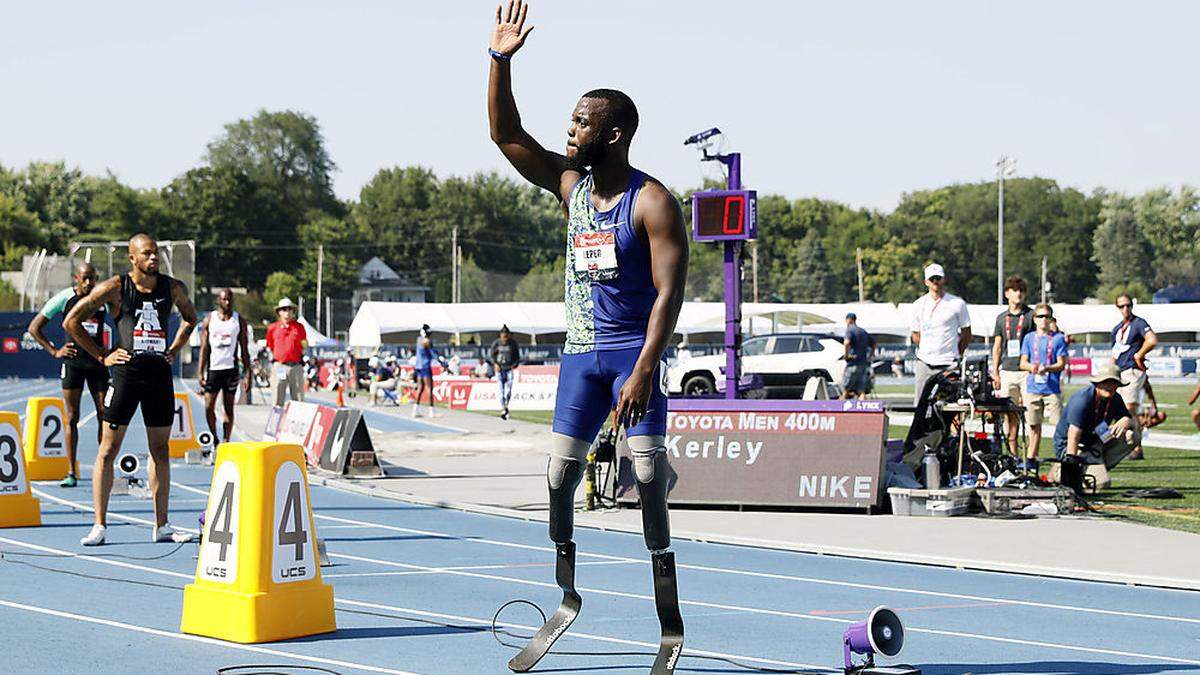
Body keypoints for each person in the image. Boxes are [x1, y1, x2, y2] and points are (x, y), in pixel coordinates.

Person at [487, 2, 690, 669]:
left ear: (616, 133)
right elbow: (505, 135)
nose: (570, 129)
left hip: (634, 353)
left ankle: (667, 614)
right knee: (556, 477)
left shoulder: (653, 200)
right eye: (572, 119)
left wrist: (642, 370)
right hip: (580, 356)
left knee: (650, 473)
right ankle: (568, 592)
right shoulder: (570, 185)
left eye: (582, 122)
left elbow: (670, 292)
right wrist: (499, 61)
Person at [65, 233, 198, 546]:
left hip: (158, 376)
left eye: (156, 254)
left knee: (161, 450)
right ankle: (99, 525)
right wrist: (101, 355)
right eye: (147, 254)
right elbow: (72, 322)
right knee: (108, 450)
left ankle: (161, 525)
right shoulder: (115, 287)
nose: (153, 259)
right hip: (125, 375)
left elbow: (190, 319)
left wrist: (175, 349)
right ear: (132, 258)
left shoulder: (172, 287)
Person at [26, 262, 110, 488]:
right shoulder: (64, 298)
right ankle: (71, 471)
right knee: (72, 417)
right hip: (73, 363)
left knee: (105, 414)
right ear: (76, 278)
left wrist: (113, 349)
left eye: (92, 278)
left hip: (98, 364)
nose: (89, 283)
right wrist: (55, 351)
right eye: (84, 278)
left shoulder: (102, 297)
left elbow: (123, 320)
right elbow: (34, 327)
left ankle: (103, 468)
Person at [1053, 362, 1140, 483]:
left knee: (1132, 436)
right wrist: (1071, 468)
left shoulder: (1115, 398)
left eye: (1113, 382)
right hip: (1071, 447)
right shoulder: (1082, 400)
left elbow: (1133, 423)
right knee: (1101, 483)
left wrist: (1128, 420)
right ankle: (1061, 471)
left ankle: (1094, 467)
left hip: (1095, 443)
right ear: (1097, 383)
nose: (1110, 386)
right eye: (1106, 382)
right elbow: (1073, 436)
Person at [909, 263, 972, 404]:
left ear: (943, 279)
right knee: (920, 405)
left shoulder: (957, 303)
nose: (935, 282)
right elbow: (915, 335)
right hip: (925, 362)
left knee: (951, 406)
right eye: (932, 279)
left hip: (949, 363)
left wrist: (956, 352)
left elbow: (967, 333)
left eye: (938, 278)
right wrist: (928, 348)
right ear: (926, 282)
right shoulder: (918, 305)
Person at [198, 288, 251, 445]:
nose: (227, 302)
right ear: (218, 300)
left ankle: (226, 440)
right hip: (214, 369)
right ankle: (214, 437)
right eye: (224, 299)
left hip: (231, 370)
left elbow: (244, 349)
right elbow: (204, 348)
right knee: (208, 406)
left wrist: (248, 374)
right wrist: (200, 372)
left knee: (228, 408)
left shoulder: (238, 321)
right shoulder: (210, 320)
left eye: (229, 299)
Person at [1018, 303, 1067, 470]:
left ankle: (1063, 458)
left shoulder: (1058, 338)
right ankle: (1031, 460)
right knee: (1033, 426)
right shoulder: (1029, 338)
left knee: (1059, 426)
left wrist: (1047, 367)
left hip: (1052, 389)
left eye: (1046, 316)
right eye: (1040, 316)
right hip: (1033, 388)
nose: (1043, 320)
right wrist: (1033, 367)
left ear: (1051, 319)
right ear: (1034, 319)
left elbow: (1061, 363)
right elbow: (1023, 363)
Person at [991, 276, 1034, 455]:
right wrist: (995, 371)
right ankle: (1013, 456)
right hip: (1007, 370)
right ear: (1007, 293)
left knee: (1031, 415)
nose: (1019, 294)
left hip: (1026, 370)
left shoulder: (1031, 315)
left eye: (1021, 291)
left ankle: (1031, 457)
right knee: (1010, 415)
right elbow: (998, 346)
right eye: (1015, 290)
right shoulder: (1002, 318)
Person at [1110, 294, 1157, 460]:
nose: (1126, 309)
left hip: (1133, 370)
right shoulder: (1117, 328)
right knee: (1125, 411)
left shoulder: (1139, 323)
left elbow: (1152, 340)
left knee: (1129, 409)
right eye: (1122, 306)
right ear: (1117, 308)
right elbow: (1114, 354)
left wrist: (1139, 354)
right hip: (1120, 372)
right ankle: (1133, 445)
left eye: (1128, 305)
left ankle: (1135, 448)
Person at [266, 297, 308, 406]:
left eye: (290, 309)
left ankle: (298, 420)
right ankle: (276, 420)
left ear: (293, 312)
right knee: (278, 395)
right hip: (280, 365)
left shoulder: (299, 327)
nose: (287, 312)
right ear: (279, 312)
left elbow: (304, 343)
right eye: (284, 309)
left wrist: (304, 353)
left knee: (298, 398)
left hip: (296, 366)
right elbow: (270, 345)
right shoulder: (273, 328)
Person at [489, 324, 522, 419]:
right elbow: (491, 355)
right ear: (500, 335)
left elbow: (517, 357)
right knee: (501, 390)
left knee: (509, 390)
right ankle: (503, 407)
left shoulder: (513, 344)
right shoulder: (496, 344)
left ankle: (507, 405)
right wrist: (495, 364)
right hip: (499, 369)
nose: (505, 338)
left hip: (509, 368)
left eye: (506, 336)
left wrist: (514, 365)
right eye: (503, 336)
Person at [841, 312, 874, 399]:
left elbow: (846, 343)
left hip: (852, 362)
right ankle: (864, 410)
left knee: (846, 389)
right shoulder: (863, 331)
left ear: (849, 320)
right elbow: (874, 344)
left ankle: (840, 410)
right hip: (863, 363)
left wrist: (846, 355)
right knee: (861, 390)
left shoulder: (850, 330)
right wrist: (870, 356)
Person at [412, 324, 439, 418]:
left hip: (418, 366)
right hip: (425, 366)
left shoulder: (418, 339)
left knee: (420, 388)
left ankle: (415, 410)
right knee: (429, 388)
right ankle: (431, 411)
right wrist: (442, 362)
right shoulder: (427, 341)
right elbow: (434, 354)